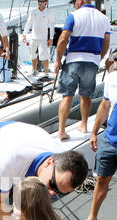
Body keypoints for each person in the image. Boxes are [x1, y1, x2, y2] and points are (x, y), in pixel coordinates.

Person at [54, 0, 110, 140]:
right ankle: (84, 125)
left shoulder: (74, 15)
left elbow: (62, 40)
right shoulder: (104, 18)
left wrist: (57, 60)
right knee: (86, 96)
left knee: (67, 95)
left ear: (81, 1)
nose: (74, 5)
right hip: (91, 62)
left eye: (75, 2)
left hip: (73, 61)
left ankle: (61, 130)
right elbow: (106, 44)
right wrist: (98, 59)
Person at [74, 51, 117, 220]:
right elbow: (105, 105)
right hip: (110, 139)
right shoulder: (112, 78)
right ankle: (92, 219)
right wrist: (94, 132)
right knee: (101, 179)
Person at [22, 0, 54, 76]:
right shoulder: (33, 11)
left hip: (43, 38)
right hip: (34, 37)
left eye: (42, 1)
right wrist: (24, 34)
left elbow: (51, 26)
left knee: (44, 56)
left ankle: (46, 71)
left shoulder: (49, 13)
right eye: (39, 1)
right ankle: (34, 70)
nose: (40, 3)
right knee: (33, 55)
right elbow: (28, 23)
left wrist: (51, 38)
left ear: (45, 2)